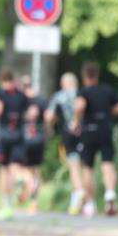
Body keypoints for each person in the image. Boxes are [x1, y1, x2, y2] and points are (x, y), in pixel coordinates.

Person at [71, 62, 118, 216]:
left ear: (84, 76)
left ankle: (90, 203)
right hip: (105, 130)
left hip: (89, 131)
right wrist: (108, 111)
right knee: (107, 163)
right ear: (96, 75)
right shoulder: (107, 90)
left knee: (87, 168)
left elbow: (79, 107)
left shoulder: (84, 92)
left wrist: (75, 122)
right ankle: (110, 193)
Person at [0, 67, 30, 220]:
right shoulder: (21, 95)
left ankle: (6, 206)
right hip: (19, 134)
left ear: (0, 80)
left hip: (4, 134)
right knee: (15, 167)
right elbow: (29, 113)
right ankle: (20, 178)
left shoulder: (0, 94)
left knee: (4, 169)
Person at [46, 73, 84, 215]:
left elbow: (49, 116)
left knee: (74, 167)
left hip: (68, 133)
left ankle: (78, 193)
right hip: (86, 133)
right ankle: (86, 204)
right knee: (86, 168)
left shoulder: (59, 96)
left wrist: (50, 127)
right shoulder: (82, 94)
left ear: (63, 83)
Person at [19, 75, 48, 215]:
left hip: (24, 137)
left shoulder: (20, 100)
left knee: (21, 168)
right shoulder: (41, 100)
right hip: (40, 136)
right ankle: (34, 203)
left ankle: (28, 184)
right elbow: (48, 117)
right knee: (35, 169)